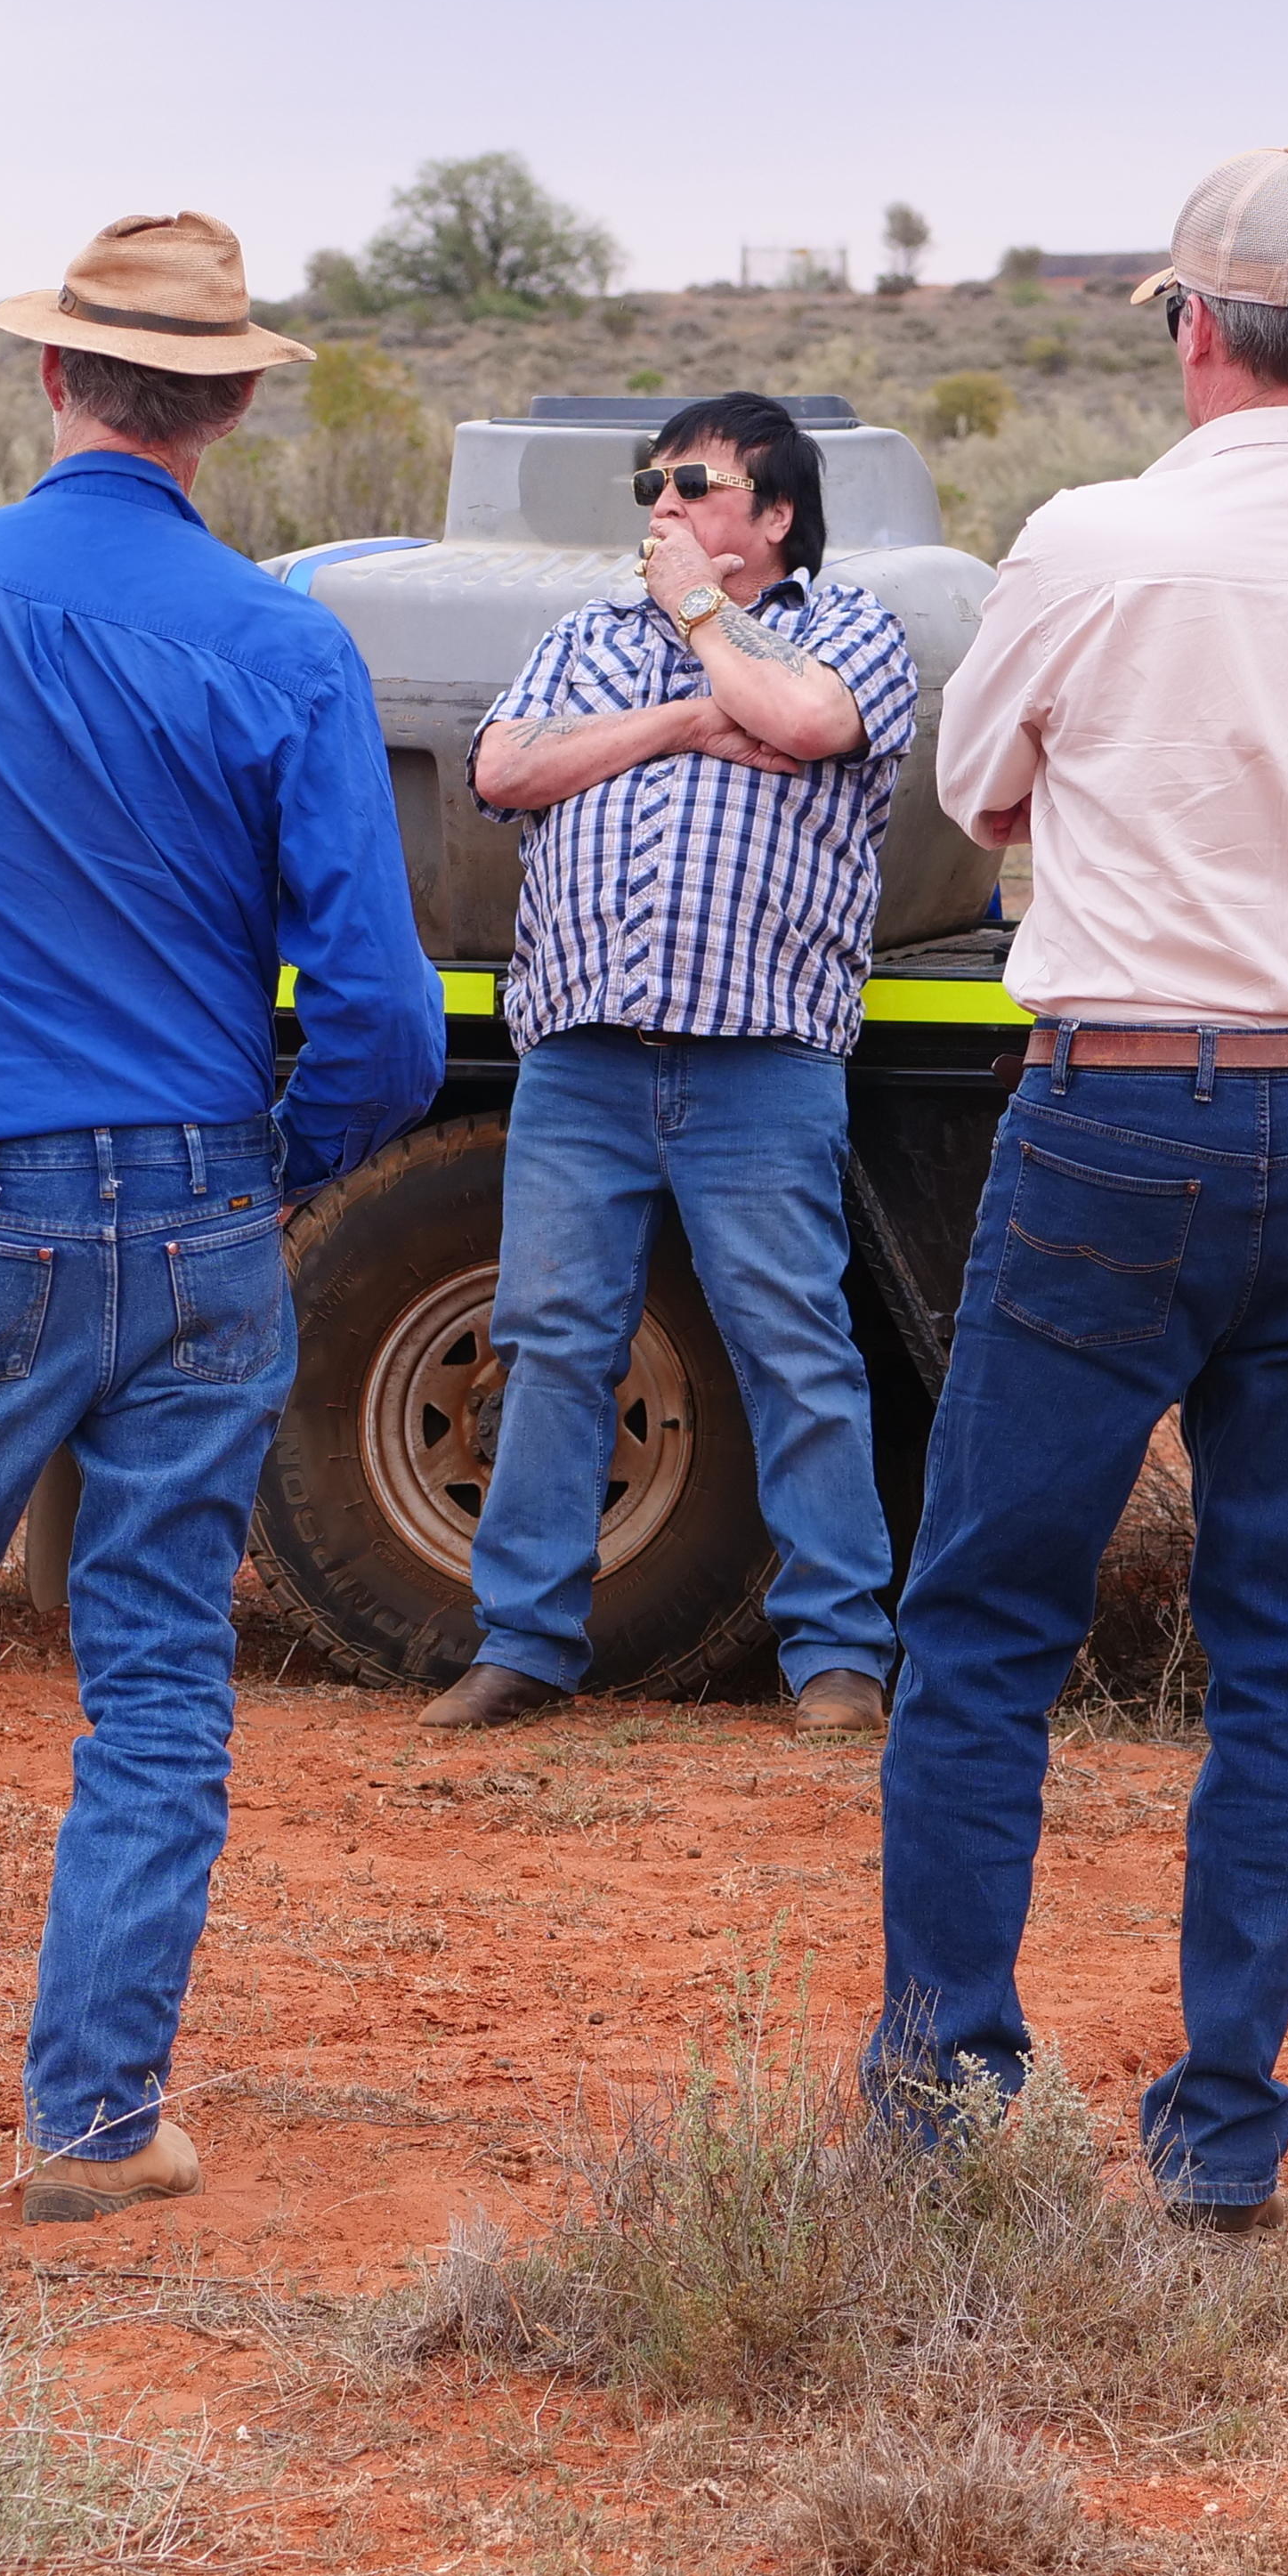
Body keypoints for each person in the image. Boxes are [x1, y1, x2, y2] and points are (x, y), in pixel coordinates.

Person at [0, 212, 438, 2222]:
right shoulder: (286, 647)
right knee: (150, 1668)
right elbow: (375, 1011)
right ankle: (97, 2120)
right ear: (221, 406)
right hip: (200, 1192)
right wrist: (274, 1165)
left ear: (53, 379)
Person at [870, 147, 1288, 2231]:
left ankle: (950, 2078)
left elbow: (972, 792)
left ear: (1197, 326)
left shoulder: (1095, 541)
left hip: (1120, 1107)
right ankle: (1222, 2123)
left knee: (981, 1616)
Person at [416, 393, 919, 1739]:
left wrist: (703, 621)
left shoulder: (849, 631)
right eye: (658, 486)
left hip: (760, 1062)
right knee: (549, 1345)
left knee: (795, 1354)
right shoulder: (585, 638)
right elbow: (508, 767)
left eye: (698, 487)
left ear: (776, 515)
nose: (665, 508)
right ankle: (524, 1643)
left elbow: (810, 723)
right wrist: (683, 723)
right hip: (583, 1059)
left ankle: (836, 1657)